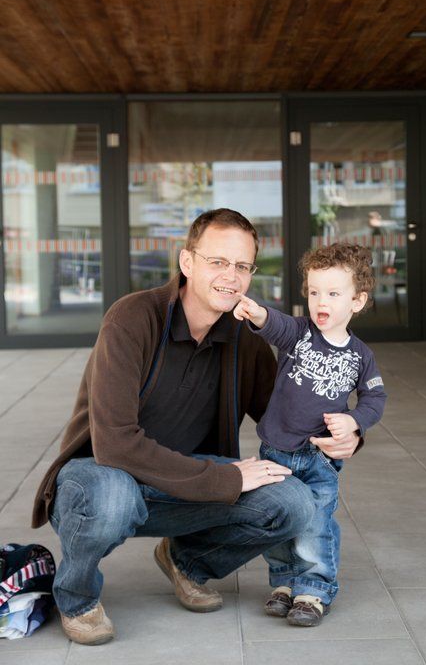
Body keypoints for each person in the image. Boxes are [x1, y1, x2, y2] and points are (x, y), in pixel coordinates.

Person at [31, 209, 361, 645]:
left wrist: (345, 433)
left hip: (184, 482)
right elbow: (114, 444)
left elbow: (285, 413)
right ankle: (77, 598)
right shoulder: (132, 318)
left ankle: (187, 561)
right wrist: (225, 478)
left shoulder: (245, 335)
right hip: (101, 475)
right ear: (187, 262)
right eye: (218, 261)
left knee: (293, 503)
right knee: (113, 497)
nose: (231, 276)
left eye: (242, 266)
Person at [233, 242, 386, 627]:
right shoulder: (300, 334)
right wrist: (257, 312)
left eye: (333, 294)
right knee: (279, 518)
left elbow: (375, 397)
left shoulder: (361, 355)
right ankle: (285, 582)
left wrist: (354, 421)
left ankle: (314, 589)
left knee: (315, 522)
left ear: (357, 301)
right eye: (314, 292)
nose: (321, 301)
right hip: (276, 450)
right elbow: (276, 324)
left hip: (319, 459)